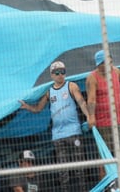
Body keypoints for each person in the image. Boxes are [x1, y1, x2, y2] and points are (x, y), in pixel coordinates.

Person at [20, 61, 92, 192]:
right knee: (63, 170)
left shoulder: (71, 86)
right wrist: (27, 107)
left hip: (74, 132)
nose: (60, 75)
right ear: (52, 75)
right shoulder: (49, 92)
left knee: (80, 167)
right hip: (58, 136)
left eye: (62, 72)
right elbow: (38, 109)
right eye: (57, 73)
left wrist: (88, 116)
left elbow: (81, 101)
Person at [87, 49, 120, 163]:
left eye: (111, 62)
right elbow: (91, 99)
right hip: (104, 123)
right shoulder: (92, 78)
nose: (110, 65)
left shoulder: (116, 71)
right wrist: (91, 116)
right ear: (100, 64)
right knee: (107, 157)